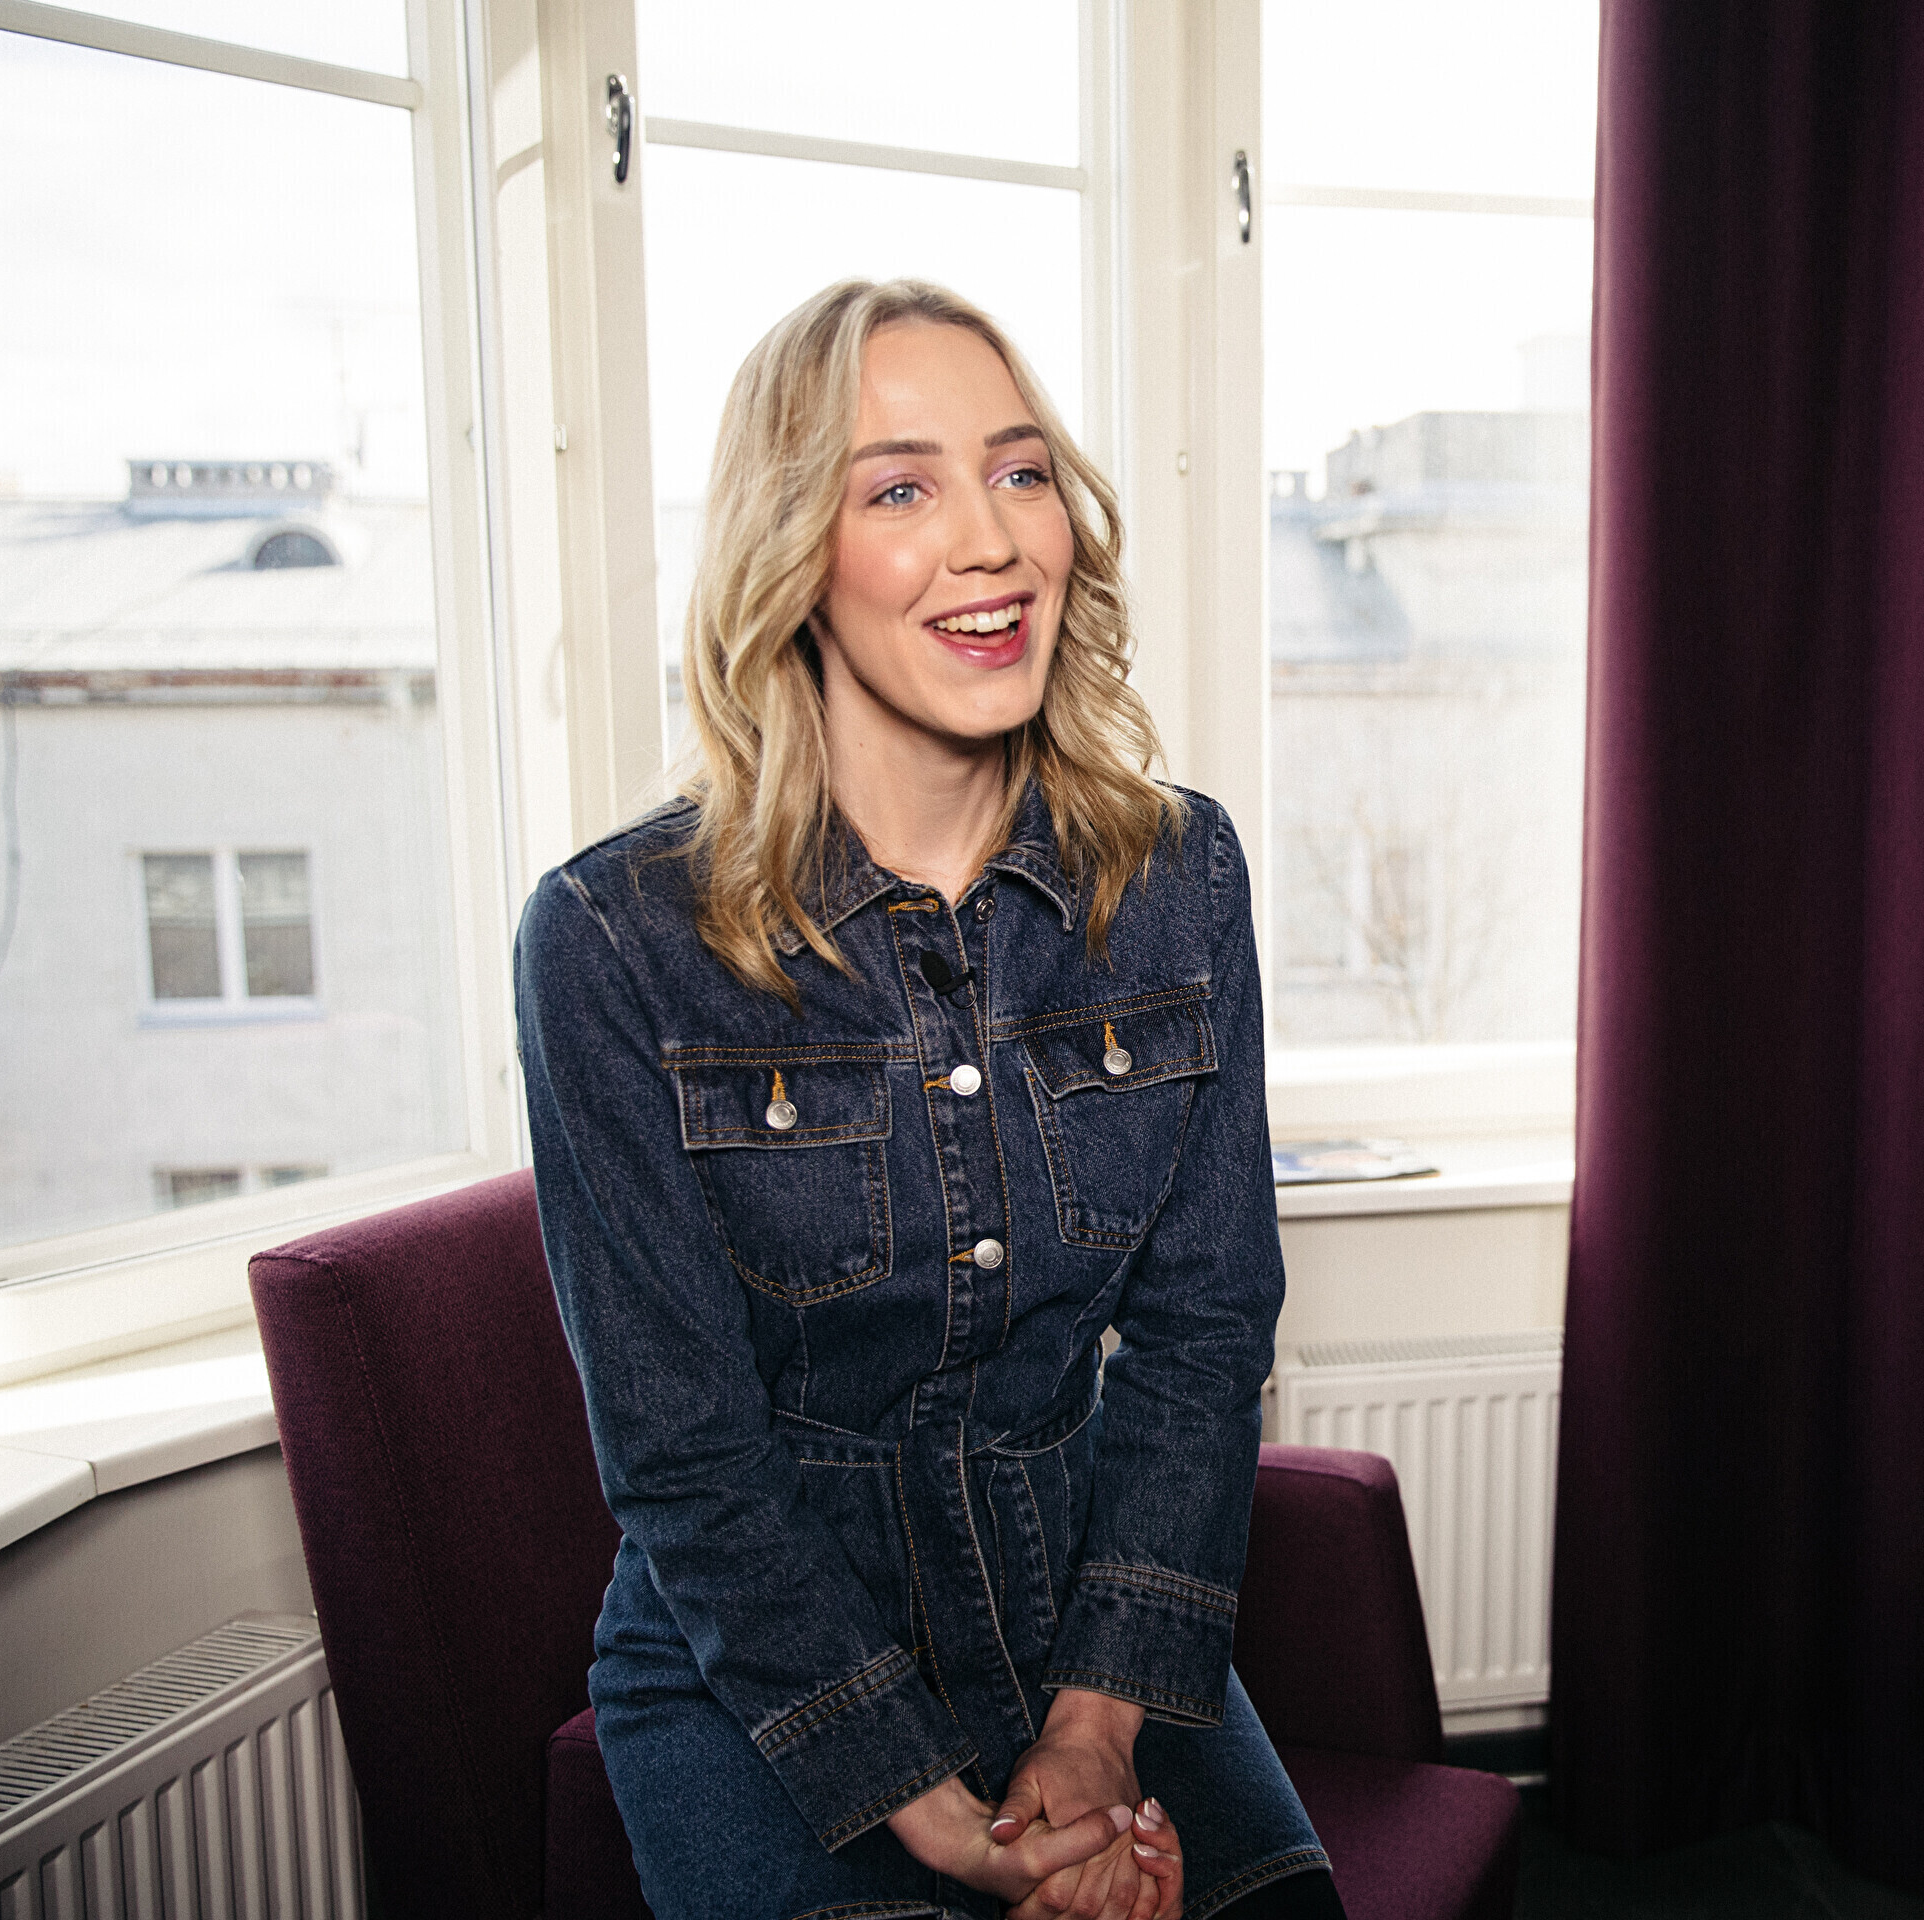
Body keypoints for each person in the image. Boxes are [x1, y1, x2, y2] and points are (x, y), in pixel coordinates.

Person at [515, 279, 1339, 1920]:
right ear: (792, 559)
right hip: (769, 1668)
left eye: (1021, 472)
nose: (992, 540)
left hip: (1093, 1618)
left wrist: (1099, 1732)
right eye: (900, 490)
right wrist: (942, 1818)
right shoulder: (614, 939)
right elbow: (685, 1455)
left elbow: (1204, 1335)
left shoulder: (1181, 877)